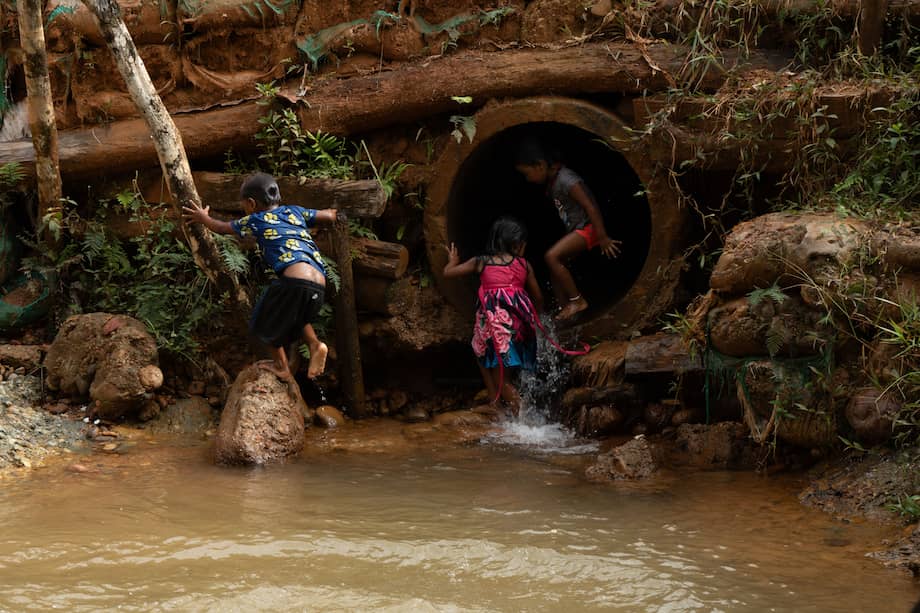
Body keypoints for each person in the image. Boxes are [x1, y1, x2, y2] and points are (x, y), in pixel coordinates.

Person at [183, 172, 335, 381]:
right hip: (319, 282)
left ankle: (281, 366)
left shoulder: (256, 219)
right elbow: (329, 216)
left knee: (263, 321)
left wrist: (203, 218)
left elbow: (221, 228)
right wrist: (335, 214)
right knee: (296, 316)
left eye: (244, 204)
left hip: (294, 280)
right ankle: (315, 344)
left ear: (252, 203)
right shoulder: (294, 211)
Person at [443, 217, 544, 413]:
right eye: (523, 242)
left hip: (495, 327)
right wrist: (537, 318)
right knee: (481, 353)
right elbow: (538, 297)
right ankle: (495, 402)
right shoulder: (524, 265)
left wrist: (452, 261)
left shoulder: (481, 262)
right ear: (515, 243)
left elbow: (448, 273)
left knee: (501, 379)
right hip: (515, 326)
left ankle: (526, 421)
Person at [515, 139, 622, 322]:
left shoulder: (567, 180)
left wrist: (602, 236)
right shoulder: (553, 181)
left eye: (527, 173)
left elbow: (590, 207)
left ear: (540, 165)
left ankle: (577, 301)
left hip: (589, 228)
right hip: (579, 228)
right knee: (555, 266)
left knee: (551, 257)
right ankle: (565, 309)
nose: (527, 179)